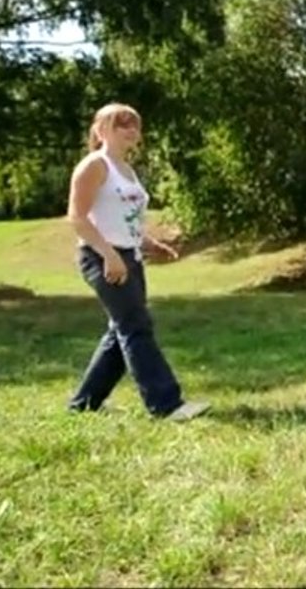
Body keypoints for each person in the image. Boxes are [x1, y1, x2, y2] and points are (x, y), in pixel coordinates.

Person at [65, 102, 210, 421]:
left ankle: (84, 404)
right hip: (101, 257)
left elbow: (123, 219)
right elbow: (77, 218)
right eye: (121, 123)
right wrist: (109, 255)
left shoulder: (126, 170)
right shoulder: (94, 165)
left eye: (135, 124)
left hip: (128, 256)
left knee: (121, 331)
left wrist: (149, 244)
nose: (131, 129)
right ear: (101, 129)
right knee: (135, 327)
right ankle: (167, 405)